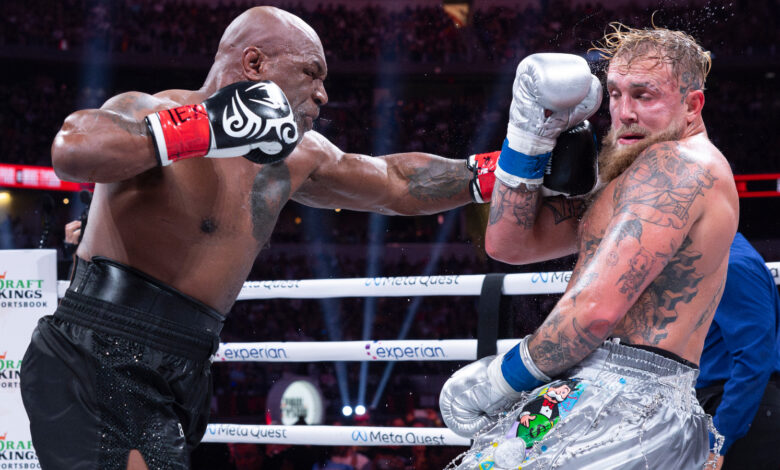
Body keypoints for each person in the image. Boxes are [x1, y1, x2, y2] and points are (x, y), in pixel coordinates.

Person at [18, 6, 501, 470]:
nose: (324, 95)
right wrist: (208, 126)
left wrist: (513, 168)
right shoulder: (152, 110)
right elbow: (74, 148)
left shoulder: (296, 157)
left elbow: (395, 182)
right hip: (99, 349)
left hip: (185, 367)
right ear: (254, 63)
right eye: (312, 73)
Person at [439, 24, 739, 469]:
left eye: (644, 95)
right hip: (594, 392)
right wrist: (529, 137)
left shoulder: (676, 165)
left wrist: (500, 379)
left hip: (625, 400)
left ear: (692, 104)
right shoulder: (631, 174)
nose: (624, 112)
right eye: (615, 95)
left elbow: (596, 311)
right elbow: (509, 244)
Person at [695, 232, 780, 469]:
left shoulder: (732, 263)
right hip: (725, 406)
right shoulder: (715, 259)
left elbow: (755, 359)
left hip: (740, 410)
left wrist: (718, 442)